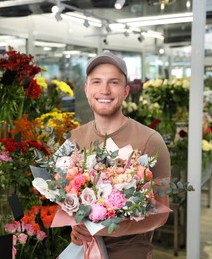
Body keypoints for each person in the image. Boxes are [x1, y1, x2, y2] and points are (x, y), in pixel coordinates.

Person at [68, 51, 170, 259]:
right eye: (96, 82)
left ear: (125, 91)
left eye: (113, 82)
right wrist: (77, 228)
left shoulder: (150, 140)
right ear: (87, 90)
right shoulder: (74, 138)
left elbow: (162, 214)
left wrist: (112, 228)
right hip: (85, 252)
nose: (104, 90)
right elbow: (69, 196)